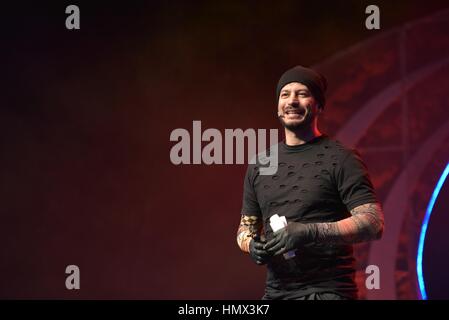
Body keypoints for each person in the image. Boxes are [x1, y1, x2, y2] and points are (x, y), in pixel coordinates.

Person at [236, 65, 384, 300]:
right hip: (276, 293)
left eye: (302, 94)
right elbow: (245, 229)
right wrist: (252, 245)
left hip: (328, 292)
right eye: (285, 94)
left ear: (319, 106)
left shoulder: (342, 158)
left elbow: (373, 223)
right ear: (277, 106)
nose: (292, 101)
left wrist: (308, 232)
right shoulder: (260, 164)